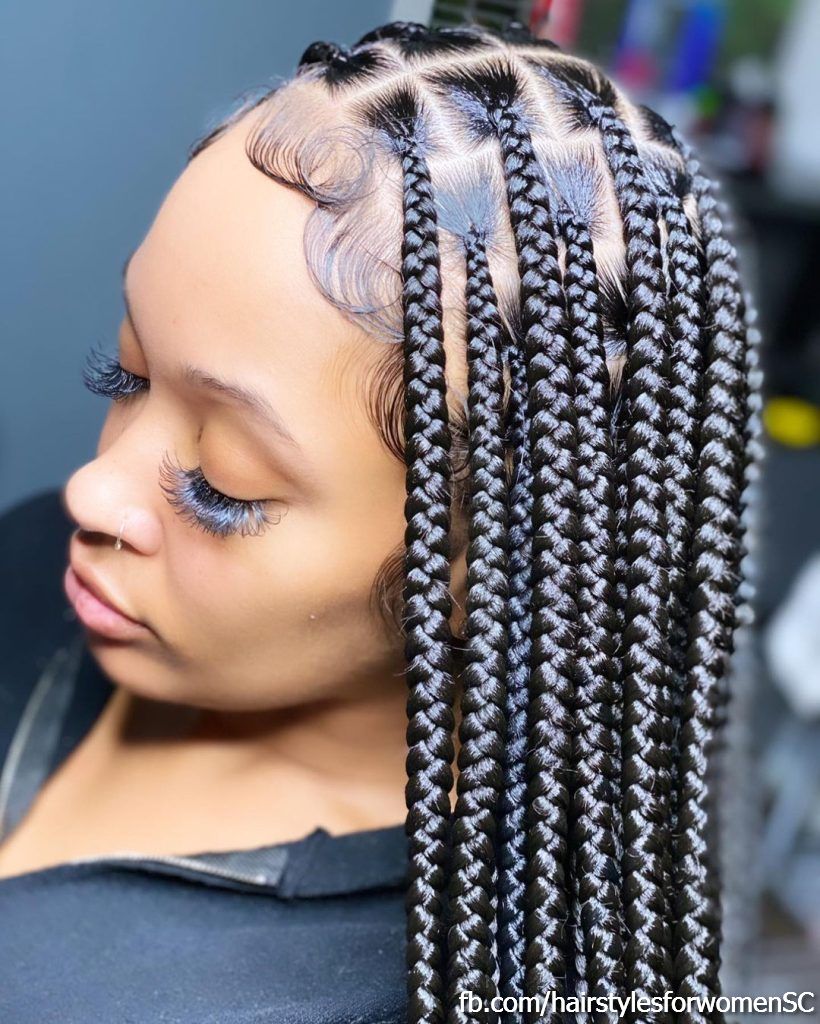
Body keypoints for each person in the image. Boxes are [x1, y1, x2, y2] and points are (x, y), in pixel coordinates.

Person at [0, 18, 763, 1024]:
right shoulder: (36, 564)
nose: (92, 493)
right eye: (127, 373)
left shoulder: (388, 988)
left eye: (222, 485)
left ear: (484, 571)